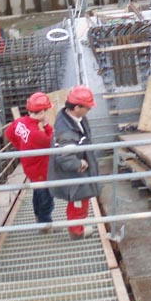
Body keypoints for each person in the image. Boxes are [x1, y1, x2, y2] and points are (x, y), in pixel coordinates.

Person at [48, 85, 100, 239]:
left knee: (80, 201)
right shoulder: (67, 131)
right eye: (87, 108)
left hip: (78, 172)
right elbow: (65, 157)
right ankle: (77, 232)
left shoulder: (73, 118)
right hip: (75, 174)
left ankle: (79, 227)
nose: (89, 110)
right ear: (77, 107)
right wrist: (79, 164)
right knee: (78, 201)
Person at [4, 92, 55, 233]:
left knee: (38, 193)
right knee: (46, 197)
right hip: (40, 170)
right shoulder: (37, 134)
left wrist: (21, 147)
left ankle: (40, 221)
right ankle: (45, 225)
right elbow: (51, 141)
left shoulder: (20, 122)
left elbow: (8, 133)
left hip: (30, 167)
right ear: (42, 112)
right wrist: (46, 126)